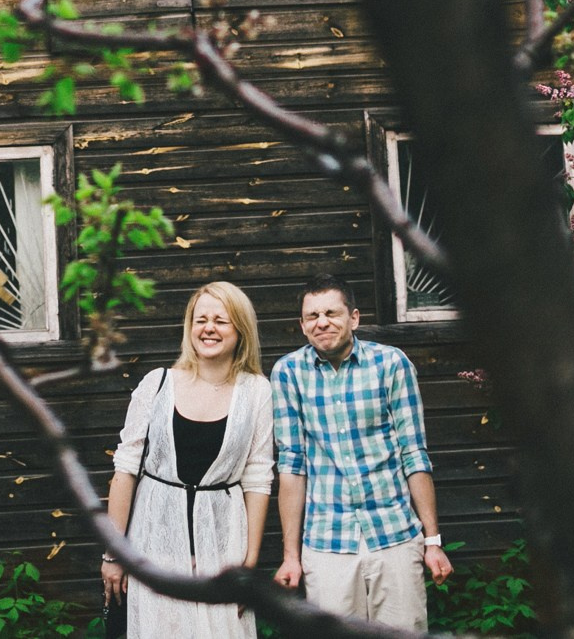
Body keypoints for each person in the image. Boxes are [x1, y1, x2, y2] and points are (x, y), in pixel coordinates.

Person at [271, 273, 453, 627]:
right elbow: (292, 467)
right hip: (327, 543)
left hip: (395, 536)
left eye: (332, 313)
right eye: (312, 316)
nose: (322, 322)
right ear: (303, 326)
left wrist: (432, 541)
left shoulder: (391, 365)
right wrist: (291, 556)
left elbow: (414, 454)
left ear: (354, 318)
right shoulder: (288, 373)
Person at [102, 281, 275, 638]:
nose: (209, 328)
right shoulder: (158, 384)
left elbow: (258, 478)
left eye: (221, 320)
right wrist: (113, 555)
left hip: (222, 544)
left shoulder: (256, 391)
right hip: (155, 544)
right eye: (201, 319)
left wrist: (249, 563)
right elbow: (125, 471)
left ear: (240, 330)